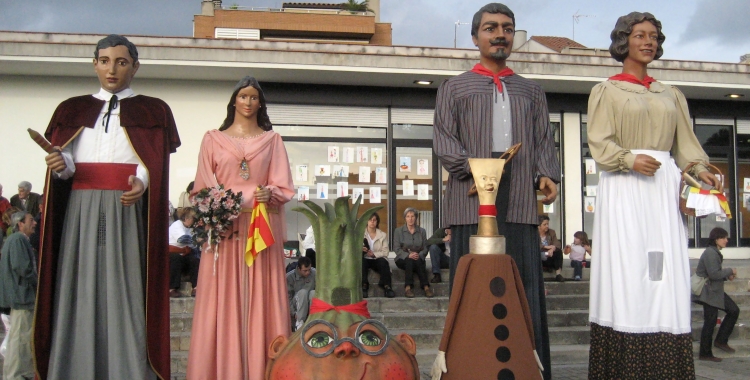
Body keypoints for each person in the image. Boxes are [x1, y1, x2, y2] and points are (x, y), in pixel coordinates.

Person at [35, 34, 179, 380]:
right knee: (77, 284)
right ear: (94, 64)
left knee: (126, 287)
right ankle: (74, 368)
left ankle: (127, 369)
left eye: (121, 61)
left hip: (126, 208)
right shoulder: (70, 110)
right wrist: (61, 165)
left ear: (135, 66)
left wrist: (142, 183)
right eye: (104, 61)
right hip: (80, 210)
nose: (111, 69)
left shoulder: (154, 110)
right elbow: (68, 164)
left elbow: (153, 162)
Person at [586, 12, 722, 378]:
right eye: (640, 35)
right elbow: (600, 143)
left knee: (662, 272)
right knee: (629, 268)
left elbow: (687, 149)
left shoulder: (671, 94)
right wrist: (628, 159)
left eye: (654, 36)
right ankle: (623, 359)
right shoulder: (607, 91)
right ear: (623, 41)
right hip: (626, 187)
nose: (649, 41)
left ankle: (666, 362)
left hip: (662, 189)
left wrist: (700, 170)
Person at [432, 3, 559, 377]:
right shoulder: (454, 87)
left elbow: (542, 141)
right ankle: (468, 368)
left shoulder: (531, 91)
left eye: (507, 27)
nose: (499, 34)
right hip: (471, 196)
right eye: (490, 28)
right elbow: (444, 141)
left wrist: (548, 175)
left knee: (524, 283)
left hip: (519, 195)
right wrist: (473, 175)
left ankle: (532, 369)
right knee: (471, 287)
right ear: (476, 37)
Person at [186, 76, 295, 380]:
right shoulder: (213, 139)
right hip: (225, 229)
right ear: (234, 100)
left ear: (261, 103)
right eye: (243, 96)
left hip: (260, 226)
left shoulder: (272, 140)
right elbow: (202, 187)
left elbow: (283, 184)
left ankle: (263, 368)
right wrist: (216, 203)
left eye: (254, 97)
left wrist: (269, 191)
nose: (248, 102)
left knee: (263, 293)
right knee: (222, 298)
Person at [0, 212, 38, 380]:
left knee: (17, 337)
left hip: (19, 297)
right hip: (22, 297)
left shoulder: (14, 240)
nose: (35, 223)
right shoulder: (18, 240)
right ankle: (17, 374)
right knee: (20, 339)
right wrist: (38, 282)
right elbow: (22, 267)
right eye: (31, 220)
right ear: (20, 224)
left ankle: (14, 373)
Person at [693, 227, 740, 362]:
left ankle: (720, 340)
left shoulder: (714, 252)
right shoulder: (710, 253)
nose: (726, 240)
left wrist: (726, 276)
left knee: (733, 310)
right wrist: (730, 270)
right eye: (723, 238)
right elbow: (713, 274)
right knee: (711, 321)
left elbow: (714, 274)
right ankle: (705, 353)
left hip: (715, 291)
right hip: (708, 293)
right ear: (716, 239)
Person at [393, 207, 433, 298]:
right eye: (408, 216)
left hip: (418, 258)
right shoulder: (398, 231)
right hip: (402, 258)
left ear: (416, 218)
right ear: (405, 218)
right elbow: (396, 248)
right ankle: (408, 287)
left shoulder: (422, 231)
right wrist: (408, 255)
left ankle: (426, 288)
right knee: (409, 260)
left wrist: (420, 255)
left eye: (412, 216)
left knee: (417, 260)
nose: (410, 219)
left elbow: (425, 247)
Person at [362, 212, 396, 298]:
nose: (372, 222)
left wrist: (374, 254)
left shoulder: (382, 235)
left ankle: (387, 287)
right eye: (370, 220)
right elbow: (354, 248)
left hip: (376, 258)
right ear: (367, 221)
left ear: (377, 222)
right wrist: (361, 250)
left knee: (383, 262)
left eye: (374, 220)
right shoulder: (361, 234)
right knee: (361, 263)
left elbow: (385, 252)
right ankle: (364, 286)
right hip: (365, 258)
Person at [168, 209, 200, 298]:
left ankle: (196, 287)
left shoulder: (191, 228)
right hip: (173, 251)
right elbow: (182, 239)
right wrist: (196, 240)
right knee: (176, 259)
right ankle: (172, 288)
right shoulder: (177, 225)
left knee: (194, 260)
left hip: (185, 252)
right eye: (193, 218)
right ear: (186, 218)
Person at [286, 256, 316, 331]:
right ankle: (299, 322)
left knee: (313, 292)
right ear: (299, 269)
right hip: (297, 305)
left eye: (309, 270)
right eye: (305, 270)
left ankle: (313, 319)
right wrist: (293, 313)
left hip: (310, 302)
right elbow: (287, 298)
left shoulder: (315, 273)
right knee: (303, 292)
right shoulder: (290, 277)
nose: (308, 272)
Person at [538, 215, 564, 282]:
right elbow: (534, 245)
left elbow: (557, 243)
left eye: (547, 224)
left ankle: (558, 274)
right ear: (539, 226)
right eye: (544, 224)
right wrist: (545, 247)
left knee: (558, 252)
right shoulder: (534, 233)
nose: (547, 226)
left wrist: (552, 249)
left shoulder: (551, 232)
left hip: (549, 255)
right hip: (538, 256)